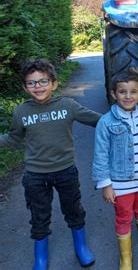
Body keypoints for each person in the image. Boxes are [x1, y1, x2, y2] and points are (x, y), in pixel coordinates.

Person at [0, 59, 99, 269]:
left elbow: (97, 120)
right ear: (25, 87)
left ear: (53, 83)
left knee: (73, 210)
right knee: (39, 215)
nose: (38, 87)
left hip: (66, 172)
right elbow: (13, 138)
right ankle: (41, 257)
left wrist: (124, 116)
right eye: (31, 83)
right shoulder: (21, 112)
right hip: (35, 175)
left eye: (43, 81)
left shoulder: (67, 106)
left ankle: (80, 247)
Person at [93, 70, 138, 270]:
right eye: (122, 92)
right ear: (113, 94)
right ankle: (125, 258)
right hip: (121, 184)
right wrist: (106, 184)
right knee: (124, 217)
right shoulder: (106, 122)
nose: (128, 96)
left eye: (133, 92)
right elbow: (100, 155)